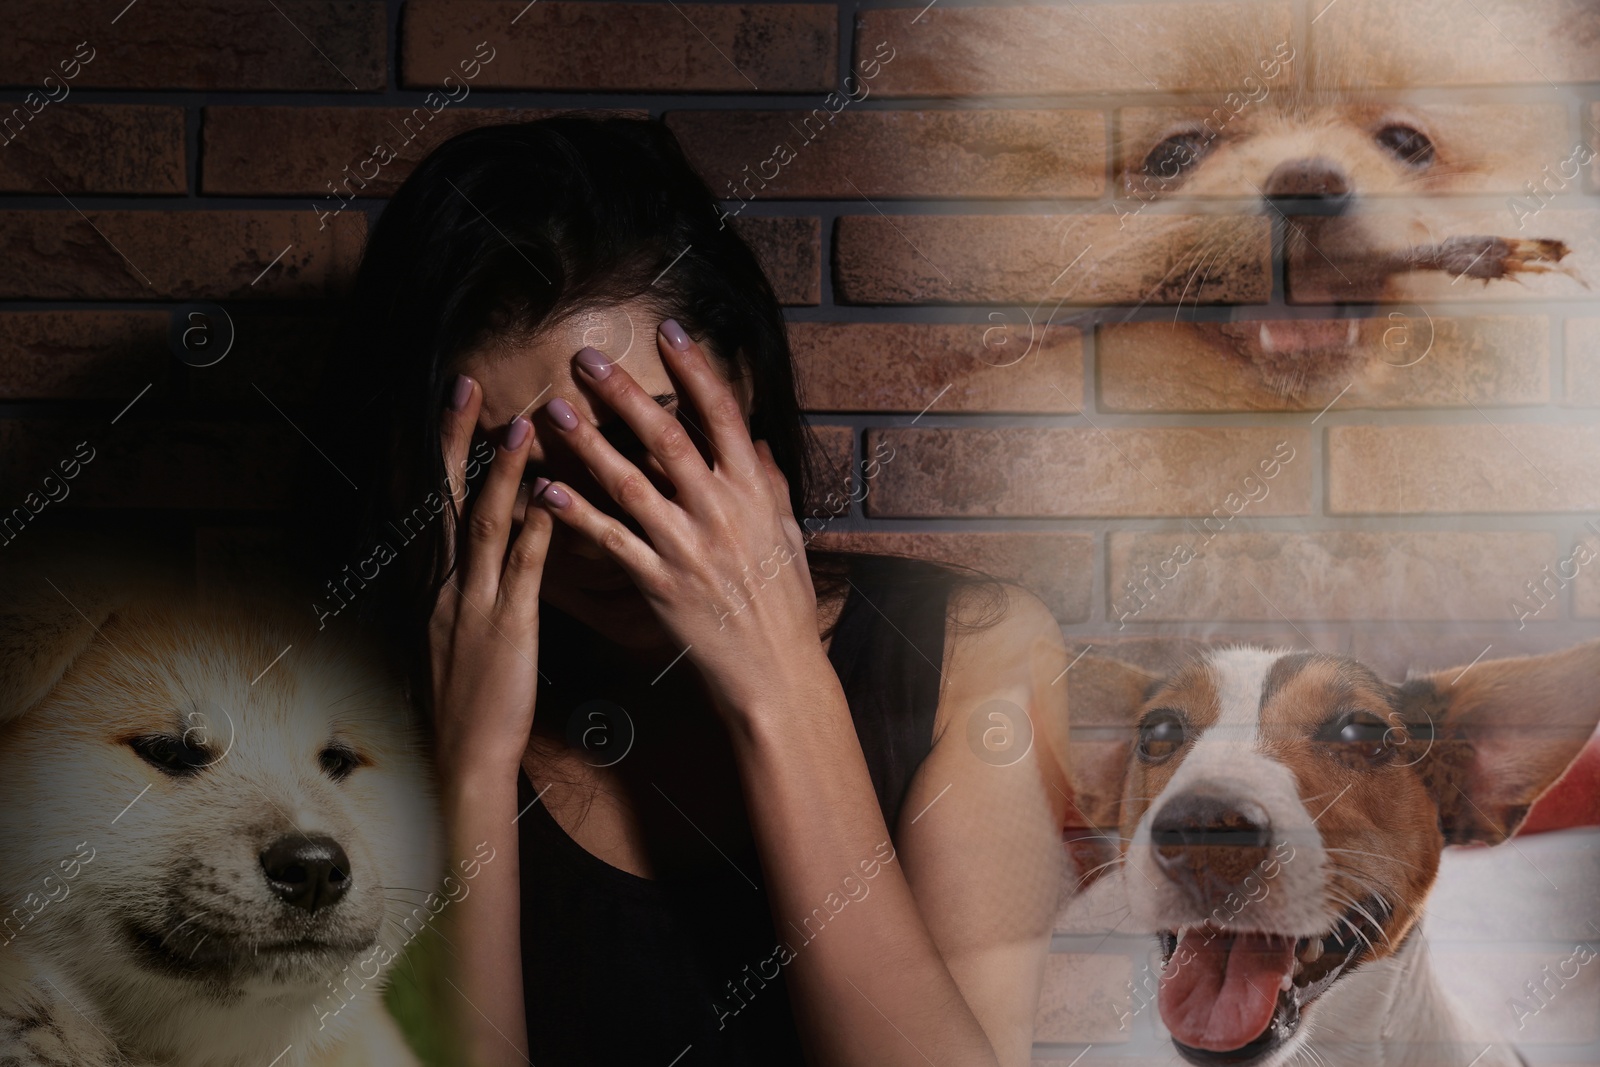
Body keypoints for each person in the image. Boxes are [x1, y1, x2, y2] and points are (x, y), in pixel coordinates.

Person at [313, 114, 1074, 1067]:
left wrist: (781, 681)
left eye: (639, 444)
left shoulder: (969, 651)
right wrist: (471, 769)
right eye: (526, 474)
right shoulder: (344, 717)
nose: (604, 523)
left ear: (741, 385)